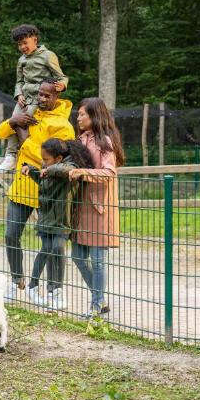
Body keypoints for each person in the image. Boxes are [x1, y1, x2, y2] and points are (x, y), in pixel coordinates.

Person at [0, 82, 75, 300]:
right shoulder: (31, 112)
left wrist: (24, 138)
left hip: (48, 192)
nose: (41, 98)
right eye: (39, 94)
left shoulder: (63, 126)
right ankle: (16, 280)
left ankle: (54, 289)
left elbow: (47, 156)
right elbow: (1, 133)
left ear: (56, 95)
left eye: (46, 95)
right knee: (11, 235)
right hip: (22, 188)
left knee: (53, 244)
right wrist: (13, 121)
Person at [20, 138, 93, 310]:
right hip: (46, 220)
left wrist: (49, 169)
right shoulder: (49, 170)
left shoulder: (70, 168)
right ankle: (33, 286)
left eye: (46, 159)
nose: (44, 164)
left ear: (59, 158)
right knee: (46, 251)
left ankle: (56, 291)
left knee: (58, 251)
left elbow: (67, 170)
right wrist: (30, 169)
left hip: (61, 221)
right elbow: (42, 179)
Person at [68, 97, 124, 317]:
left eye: (82, 114)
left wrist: (84, 173)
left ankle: (96, 304)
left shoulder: (105, 142)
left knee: (98, 261)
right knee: (78, 257)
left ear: (94, 116)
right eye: (79, 114)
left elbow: (110, 173)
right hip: (80, 207)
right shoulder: (80, 140)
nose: (78, 117)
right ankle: (99, 299)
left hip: (100, 208)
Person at [0, 24, 68, 170]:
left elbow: (61, 76)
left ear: (34, 40)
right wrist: (19, 94)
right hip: (24, 99)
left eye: (25, 43)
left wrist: (63, 85)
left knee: (23, 122)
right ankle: (10, 156)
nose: (22, 47)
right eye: (19, 44)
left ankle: (26, 154)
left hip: (39, 99)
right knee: (12, 121)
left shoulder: (48, 55)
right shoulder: (21, 60)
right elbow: (19, 81)